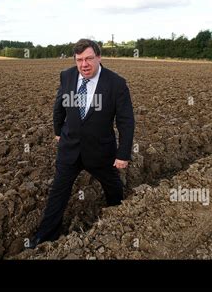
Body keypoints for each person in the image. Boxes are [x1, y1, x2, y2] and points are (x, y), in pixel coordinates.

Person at [28, 39, 135, 248]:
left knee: (113, 188)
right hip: (70, 149)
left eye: (88, 59)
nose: (84, 64)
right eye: (79, 60)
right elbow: (59, 106)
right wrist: (58, 131)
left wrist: (123, 154)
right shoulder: (67, 76)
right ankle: (45, 236)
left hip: (101, 151)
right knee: (58, 191)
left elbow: (126, 121)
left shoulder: (116, 84)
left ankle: (117, 217)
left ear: (99, 58)